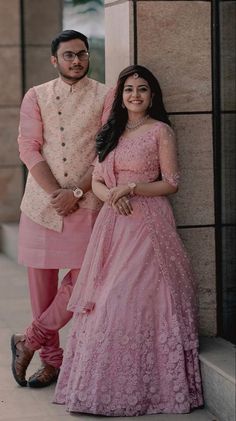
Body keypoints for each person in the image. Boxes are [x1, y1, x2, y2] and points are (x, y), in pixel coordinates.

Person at [53, 64, 203, 416]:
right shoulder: (111, 132)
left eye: (142, 89)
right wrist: (111, 195)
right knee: (102, 301)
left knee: (126, 299)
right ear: (120, 97)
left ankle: (146, 391)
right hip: (113, 225)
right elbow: (99, 179)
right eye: (128, 90)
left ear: (152, 97)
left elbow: (171, 182)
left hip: (148, 225)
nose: (135, 95)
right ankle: (97, 391)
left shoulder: (160, 132)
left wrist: (132, 188)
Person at [10, 29, 112, 388]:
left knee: (88, 276)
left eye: (82, 54)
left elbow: (105, 151)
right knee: (42, 288)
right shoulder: (35, 96)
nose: (77, 60)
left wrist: (76, 192)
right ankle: (52, 362)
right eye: (68, 55)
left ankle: (31, 338)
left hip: (88, 203)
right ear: (55, 60)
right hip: (41, 205)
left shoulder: (105, 95)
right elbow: (29, 147)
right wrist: (57, 193)